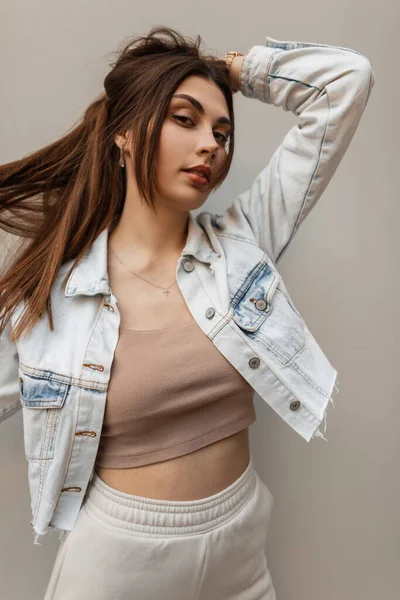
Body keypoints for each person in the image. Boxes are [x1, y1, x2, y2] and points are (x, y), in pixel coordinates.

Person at [0, 25, 374, 600]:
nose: (211, 145)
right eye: (185, 118)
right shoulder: (54, 296)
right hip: (120, 561)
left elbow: (346, 83)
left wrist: (234, 71)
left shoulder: (241, 246)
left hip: (241, 548)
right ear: (124, 133)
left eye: (222, 132)